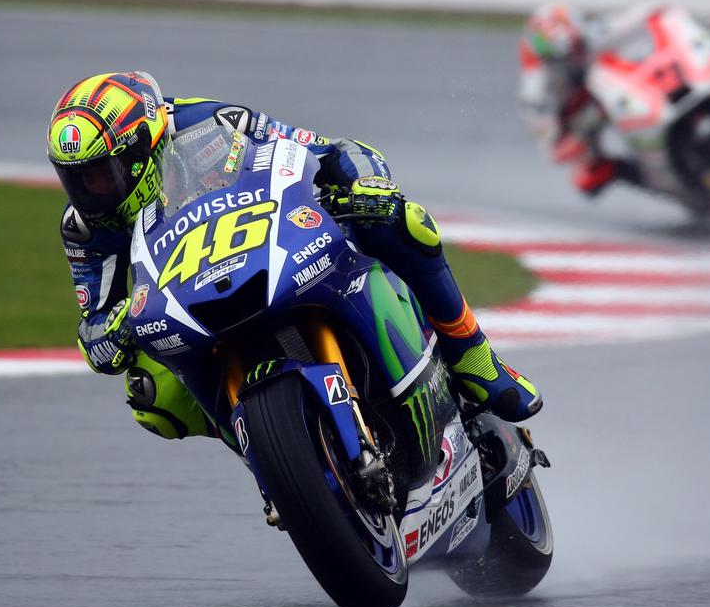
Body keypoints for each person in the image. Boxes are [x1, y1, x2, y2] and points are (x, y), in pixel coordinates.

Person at [49, 71, 542, 441]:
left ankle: (475, 359)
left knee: (400, 219)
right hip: (189, 299)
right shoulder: (87, 229)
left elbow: (329, 153)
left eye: (99, 174)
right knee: (151, 397)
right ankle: (272, 459)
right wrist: (106, 335)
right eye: (75, 178)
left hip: (272, 243)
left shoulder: (211, 121)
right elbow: (93, 324)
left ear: (141, 150)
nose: (88, 192)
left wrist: (366, 186)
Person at [517, 2, 643, 197]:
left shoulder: (593, 33)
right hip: (583, 115)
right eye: (565, 57)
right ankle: (656, 180)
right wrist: (581, 132)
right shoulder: (536, 93)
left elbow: (647, 13)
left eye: (577, 47)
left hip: (627, 84)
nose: (575, 57)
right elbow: (553, 150)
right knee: (588, 180)